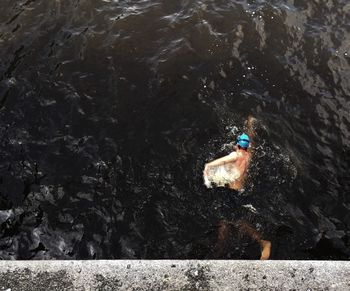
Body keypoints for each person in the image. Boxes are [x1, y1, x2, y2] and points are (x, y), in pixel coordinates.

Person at [203, 116, 271, 260]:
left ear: (238, 145)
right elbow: (250, 139)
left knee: (233, 220)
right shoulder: (248, 155)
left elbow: (221, 161)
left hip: (231, 193)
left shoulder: (235, 154)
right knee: (227, 220)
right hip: (240, 191)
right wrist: (250, 125)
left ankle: (262, 241)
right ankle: (221, 244)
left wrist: (208, 166)